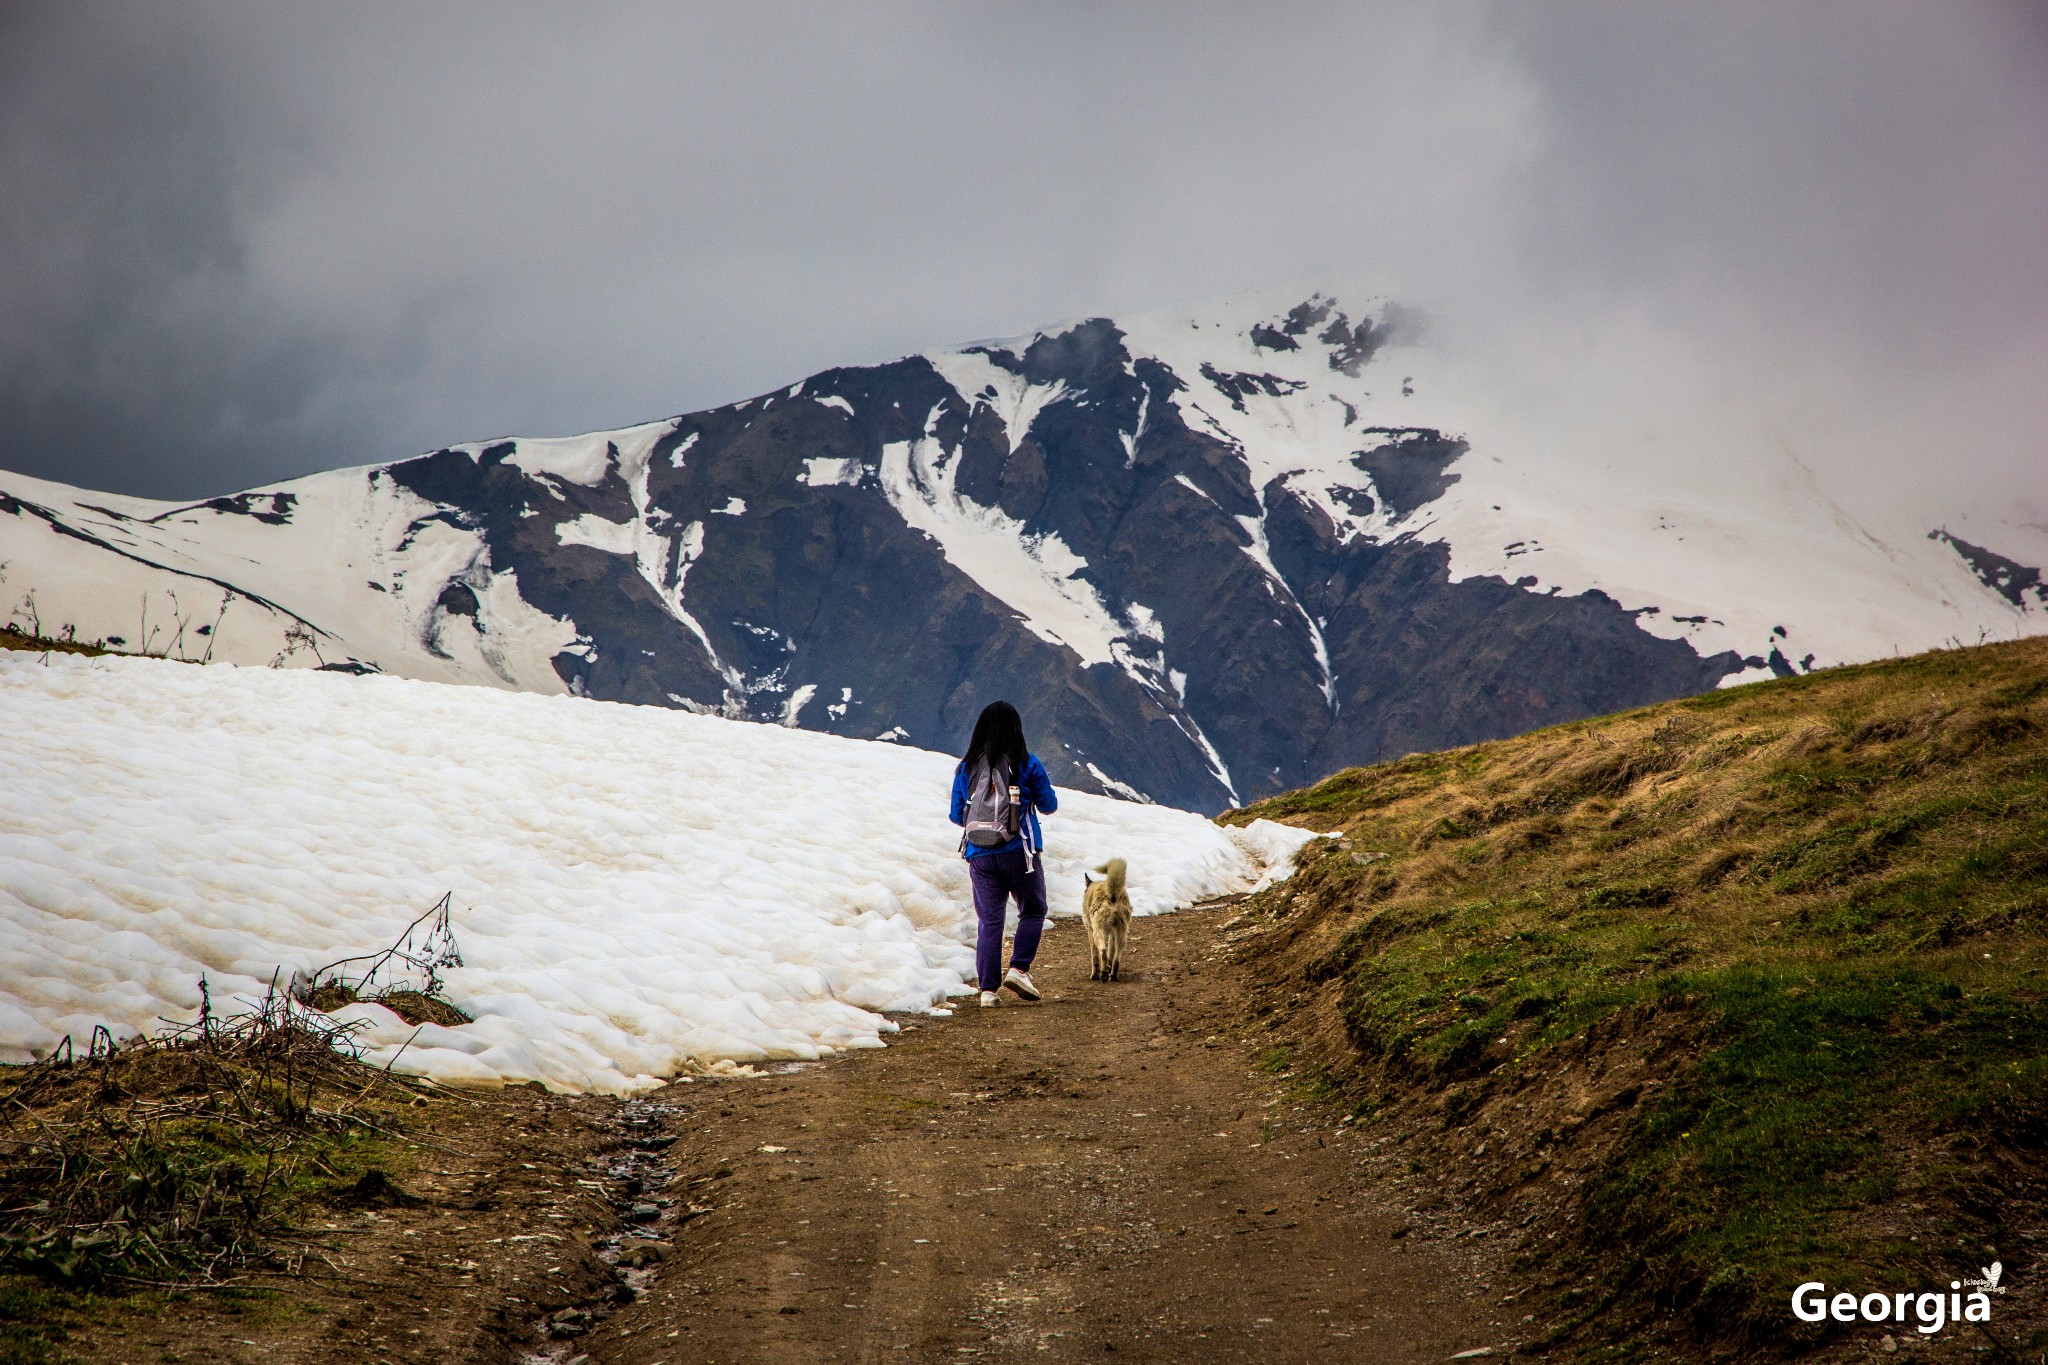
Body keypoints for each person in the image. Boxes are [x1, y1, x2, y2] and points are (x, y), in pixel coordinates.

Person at [948, 700, 1057, 1008]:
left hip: (978, 854)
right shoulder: (1027, 763)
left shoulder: (966, 767)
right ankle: (1019, 969)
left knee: (990, 921)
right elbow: (1049, 805)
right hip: (1018, 852)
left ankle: (987, 992)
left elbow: (958, 815)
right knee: (1033, 910)